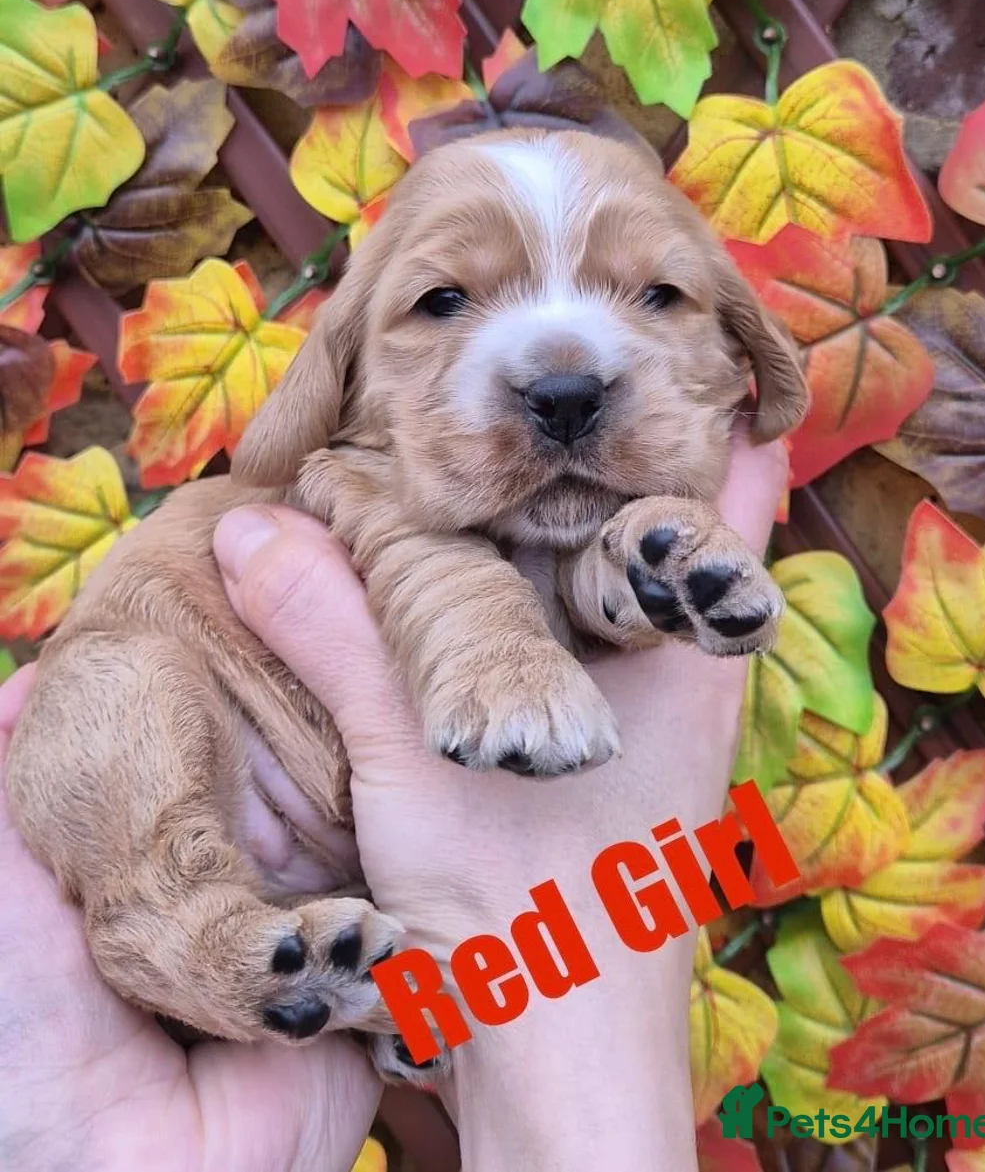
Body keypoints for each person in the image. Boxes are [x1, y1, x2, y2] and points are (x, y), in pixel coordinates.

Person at [0, 430, 784, 1172]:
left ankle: (331, 977)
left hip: (340, 899)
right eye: (443, 305)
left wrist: (641, 557)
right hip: (183, 701)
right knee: (116, 697)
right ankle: (197, 943)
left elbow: (570, 592)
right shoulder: (383, 447)